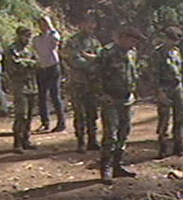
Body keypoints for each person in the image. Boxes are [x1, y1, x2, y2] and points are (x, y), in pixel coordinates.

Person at [96, 27, 143, 184]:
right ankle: (106, 168)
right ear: (122, 37)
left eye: (136, 41)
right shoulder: (107, 53)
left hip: (127, 99)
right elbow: (95, 74)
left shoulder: (132, 53)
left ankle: (117, 165)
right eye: (132, 39)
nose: (134, 43)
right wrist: (101, 94)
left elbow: (133, 74)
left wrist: (134, 91)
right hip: (111, 100)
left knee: (124, 132)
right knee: (110, 134)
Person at [63, 14, 102, 153]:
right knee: (80, 114)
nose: (91, 26)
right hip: (78, 83)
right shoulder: (73, 41)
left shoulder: (95, 41)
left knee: (92, 113)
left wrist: (92, 60)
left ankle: (93, 140)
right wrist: (93, 64)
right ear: (82, 24)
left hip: (93, 83)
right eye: (88, 23)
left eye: (93, 23)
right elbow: (75, 61)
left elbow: (101, 58)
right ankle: (81, 141)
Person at [153, 26, 183, 159]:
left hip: (177, 87)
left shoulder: (177, 52)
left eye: (177, 40)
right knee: (164, 119)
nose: (174, 43)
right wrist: (158, 91)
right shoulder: (158, 53)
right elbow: (154, 74)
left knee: (180, 118)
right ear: (166, 38)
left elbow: (182, 71)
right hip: (165, 88)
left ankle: (178, 146)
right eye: (172, 40)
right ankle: (163, 147)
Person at [4, 27, 38, 154]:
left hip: (31, 85)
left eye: (29, 36)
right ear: (19, 35)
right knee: (21, 115)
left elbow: (38, 63)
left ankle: (26, 140)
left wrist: (27, 63)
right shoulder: (12, 49)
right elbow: (15, 65)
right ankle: (17, 142)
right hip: (19, 86)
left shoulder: (30, 49)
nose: (27, 39)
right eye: (25, 36)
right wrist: (29, 63)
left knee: (29, 115)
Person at [32, 16, 65, 133]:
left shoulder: (53, 36)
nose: (43, 26)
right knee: (42, 96)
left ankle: (61, 122)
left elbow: (57, 41)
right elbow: (36, 51)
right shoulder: (36, 39)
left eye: (45, 24)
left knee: (55, 95)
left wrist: (51, 28)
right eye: (41, 24)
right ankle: (45, 122)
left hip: (53, 67)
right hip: (41, 67)